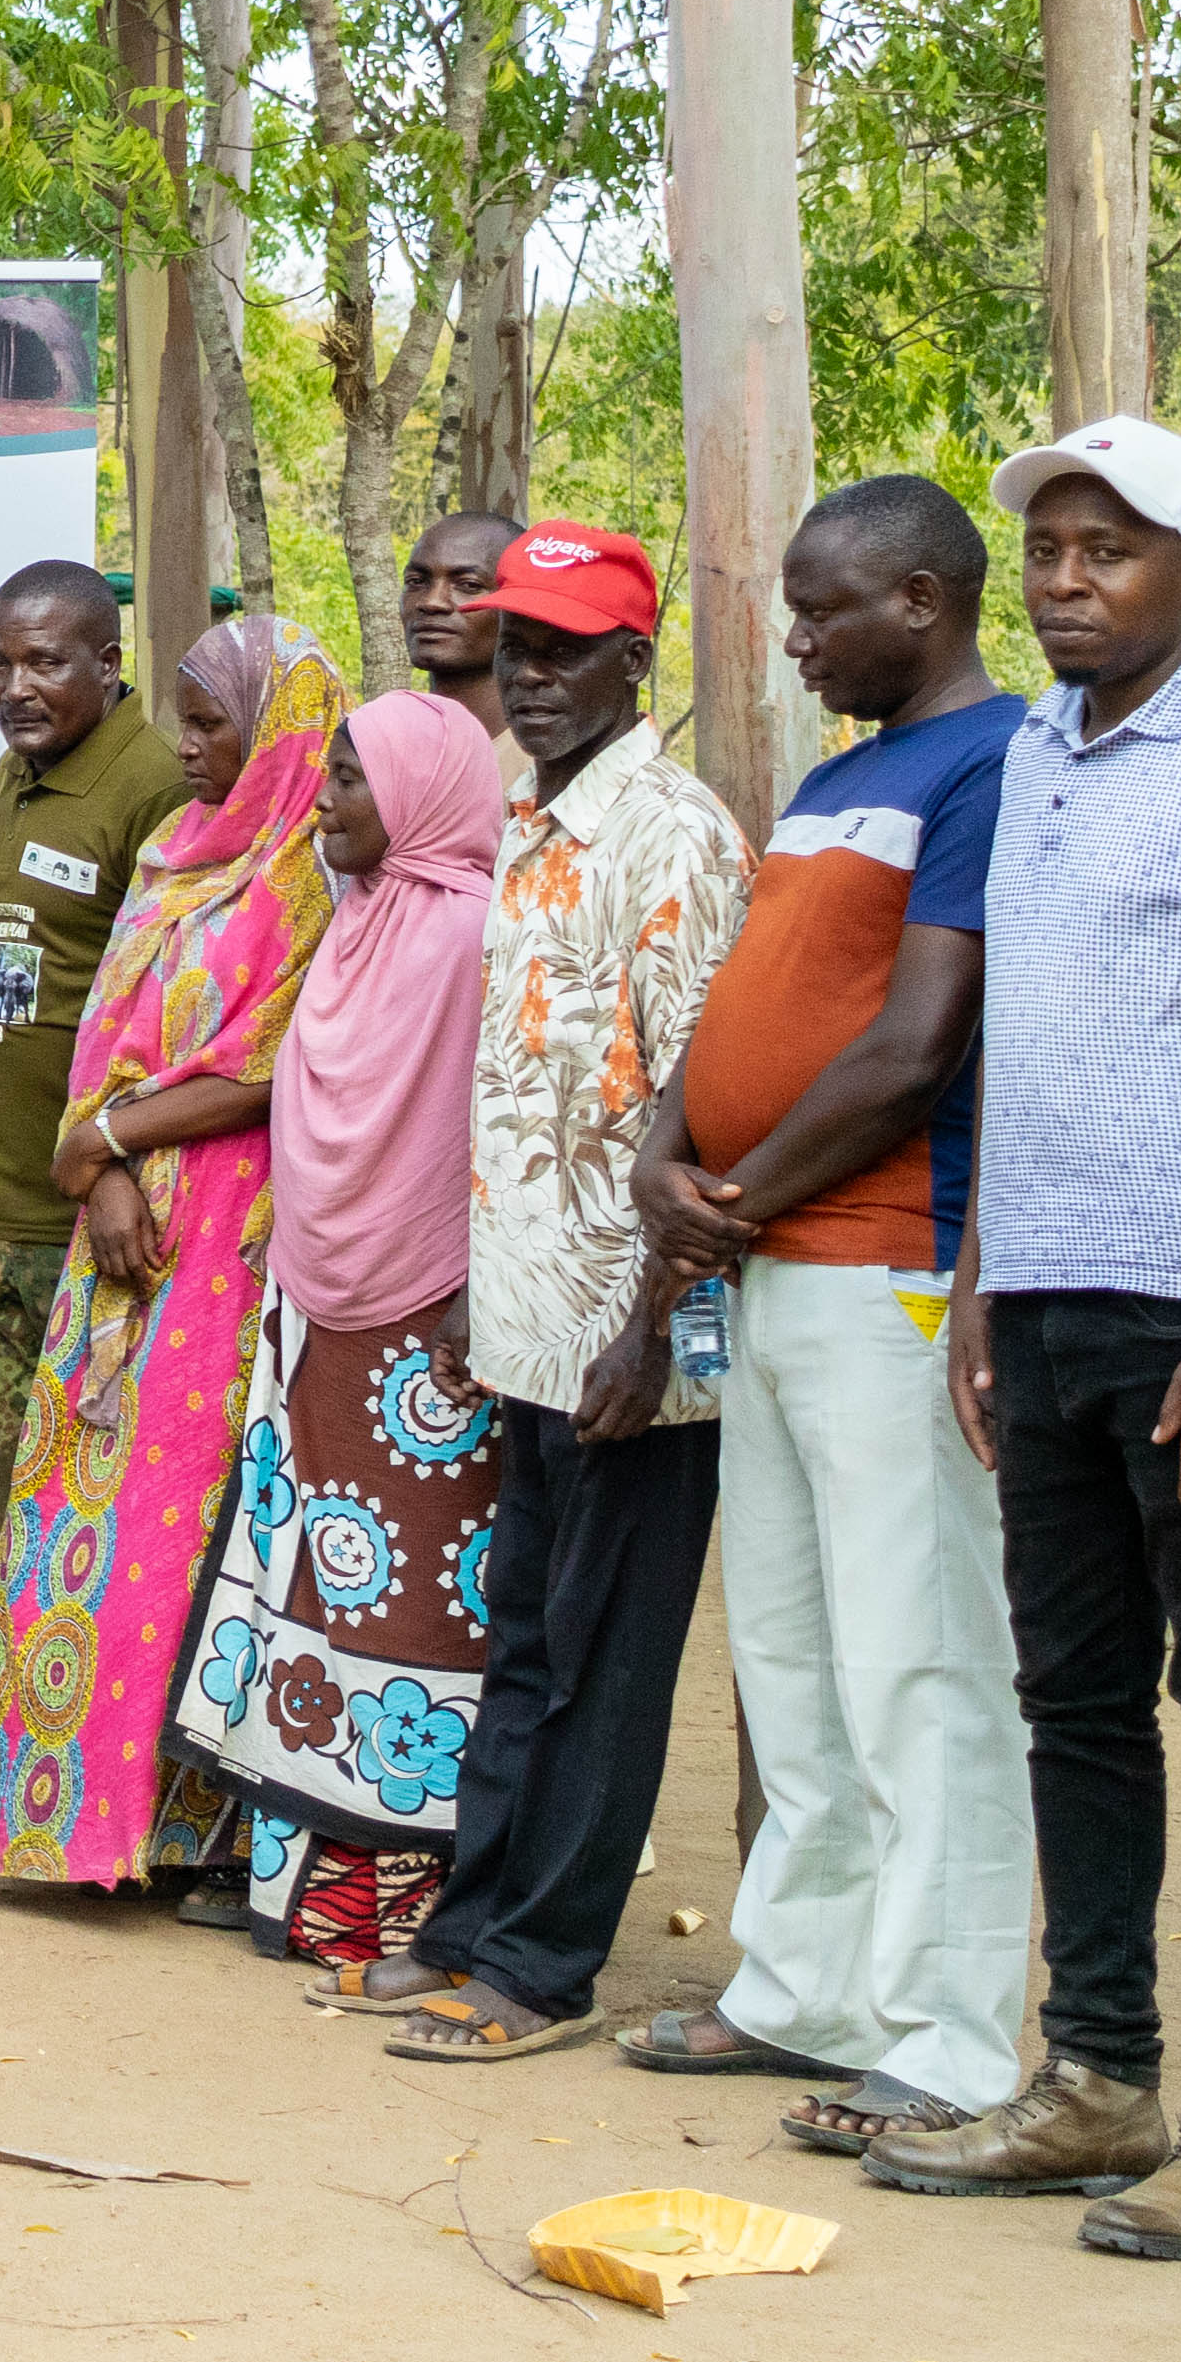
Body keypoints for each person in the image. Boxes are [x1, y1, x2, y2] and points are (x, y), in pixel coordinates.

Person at [868, 415, 1181, 2255]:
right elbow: (1027, 1040)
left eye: (1114, 551)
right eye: (1055, 552)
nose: (1073, 581)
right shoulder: (1036, 758)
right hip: (1049, 1288)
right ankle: (1095, 2080)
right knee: (1071, 1699)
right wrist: (981, 1281)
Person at [620, 481, 1026, 2152]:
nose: (794, 639)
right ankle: (807, 1989)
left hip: (889, 1266)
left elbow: (921, 1041)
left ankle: (953, 2036)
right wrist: (668, 1150)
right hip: (774, 1264)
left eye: (824, 608)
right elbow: (747, 1007)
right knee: (787, 1650)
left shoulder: (995, 762)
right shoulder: (833, 780)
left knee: (920, 1653)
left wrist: (745, 1185)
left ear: (923, 601)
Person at [381, 521, 744, 2064]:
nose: (529, 673)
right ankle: (473, 1927)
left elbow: (708, 1109)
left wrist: (651, 1329)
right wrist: (479, 1284)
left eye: (563, 648)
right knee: (521, 1634)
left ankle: (544, 1970)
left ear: (631, 662)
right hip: (526, 1317)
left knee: (602, 1656)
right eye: (516, 645)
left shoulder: (673, 834)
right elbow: (523, 1088)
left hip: (626, 1338)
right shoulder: (532, 816)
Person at [0, 614, 339, 1898]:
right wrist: (100, 1156)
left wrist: (108, 1132)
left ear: (276, 729)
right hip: (105, 1220)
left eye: (210, 720)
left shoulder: (312, 872)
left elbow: (270, 1064)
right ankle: (46, 1806)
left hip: (227, 1235)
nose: (187, 743)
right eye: (181, 717)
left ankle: (174, 1831)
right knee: (72, 1505)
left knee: (181, 1523)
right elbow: (100, 1029)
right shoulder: (180, 847)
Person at [166, 689, 513, 1986]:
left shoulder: (477, 937)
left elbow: (497, 1134)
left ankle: (409, 1906)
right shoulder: (357, 928)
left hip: (436, 1333)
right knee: (319, 1591)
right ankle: (308, 1894)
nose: (329, 799)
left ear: (422, 796)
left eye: (356, 780)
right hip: (317, 1315)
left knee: (421, 1615)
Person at [0, 557, 185, 1846]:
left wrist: (116, 1172)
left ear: (108, 662)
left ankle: (94, 1791)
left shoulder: (151, 785)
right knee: (6, 1496)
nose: (16, 687)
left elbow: (167, 1002)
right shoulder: (15, 772)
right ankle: (10, 1770)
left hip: (104, 1219)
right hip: (5, 1213)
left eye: (44, 662)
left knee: (99, 1508)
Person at [401, 507, 523, 741]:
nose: (431, 602)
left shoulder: (545, 763)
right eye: (416, 581)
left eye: (469, 585)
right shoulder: (382, 744)